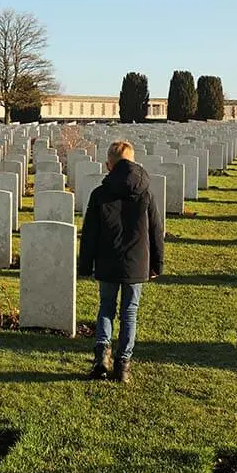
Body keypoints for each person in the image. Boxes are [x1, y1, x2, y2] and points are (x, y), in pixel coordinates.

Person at [78, 141, 164, 383]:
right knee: (130, 313)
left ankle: (101, 358)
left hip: (107, 259)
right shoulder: (145, 191)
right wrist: (157, 263)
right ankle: (123, 365)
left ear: (109, 165)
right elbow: (156, 230)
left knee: (106, 307)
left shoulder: (100, 193)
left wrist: (85, 264)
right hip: (136, 262)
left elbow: (90, 233)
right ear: (134, 161)